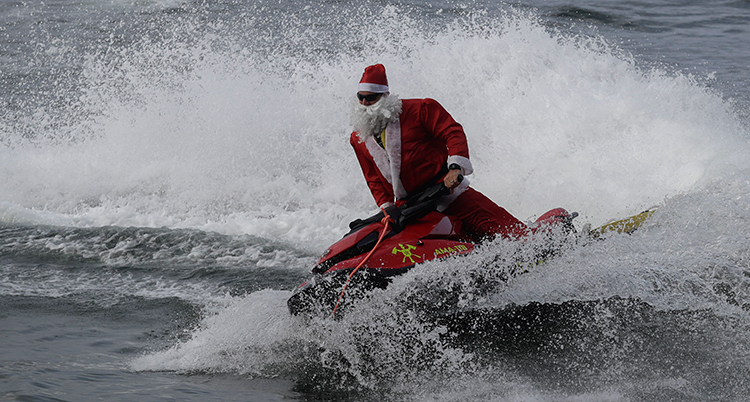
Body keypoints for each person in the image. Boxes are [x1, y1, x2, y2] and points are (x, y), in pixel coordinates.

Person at [349, 63, 530, 240]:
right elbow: (372, 178)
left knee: (508, 233)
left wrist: (455, 168)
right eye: (361, 97)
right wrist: (387, 208)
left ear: (385, 96)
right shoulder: (358, 138)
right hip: (411, 207)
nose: (365, 103)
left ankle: (534, 241)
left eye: (371, 98)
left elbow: (452, 132)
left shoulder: (420, 109)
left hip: (447, 191)